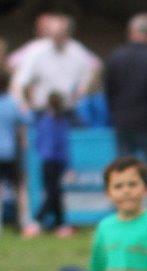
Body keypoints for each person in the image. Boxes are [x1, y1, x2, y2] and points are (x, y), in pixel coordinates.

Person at [104, 14, 147, 223]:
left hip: (122, 121)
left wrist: (115, 113)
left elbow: (109, 91)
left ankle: (122, 215)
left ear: (130, 32)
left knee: (122, 172)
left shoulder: (115, 57)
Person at [9, 14, 99, 112]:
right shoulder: (36, 50)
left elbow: (93, 69)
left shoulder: (77, 51)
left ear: (68, 33)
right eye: (54, 33)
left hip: (69, 109)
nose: (57, 37)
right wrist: (23, 104)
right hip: (42, 109)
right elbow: (19, 81)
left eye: (61, 33)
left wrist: (81, 92)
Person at [29, 91, 71, 237]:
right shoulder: (56, 121)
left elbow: (39, 142)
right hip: (53, 161)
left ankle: (59, 223)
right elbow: (62, 144)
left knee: (55, 192)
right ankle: (38, 220)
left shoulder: (47, 120)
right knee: (54, 192)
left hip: (49, 160)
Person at [0, 68, 25, 234]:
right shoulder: (12, 103)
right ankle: (19, 223)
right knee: (18, 188)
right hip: (10, 153)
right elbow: (25, 120)